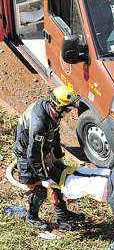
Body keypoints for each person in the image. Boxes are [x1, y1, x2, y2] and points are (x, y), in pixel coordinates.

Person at [13, 85, 83, 231]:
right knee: (39, 188)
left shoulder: (53, 113)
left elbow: (55, 135)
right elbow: (33, 155)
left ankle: (63, 216)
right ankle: (31, 218)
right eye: (68, 109)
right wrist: (44, 177)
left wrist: (58, 159)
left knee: (58, 178)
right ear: (59, 108)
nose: (69, 113)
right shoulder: (39, 124)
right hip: (27, 153)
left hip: (41, 147)